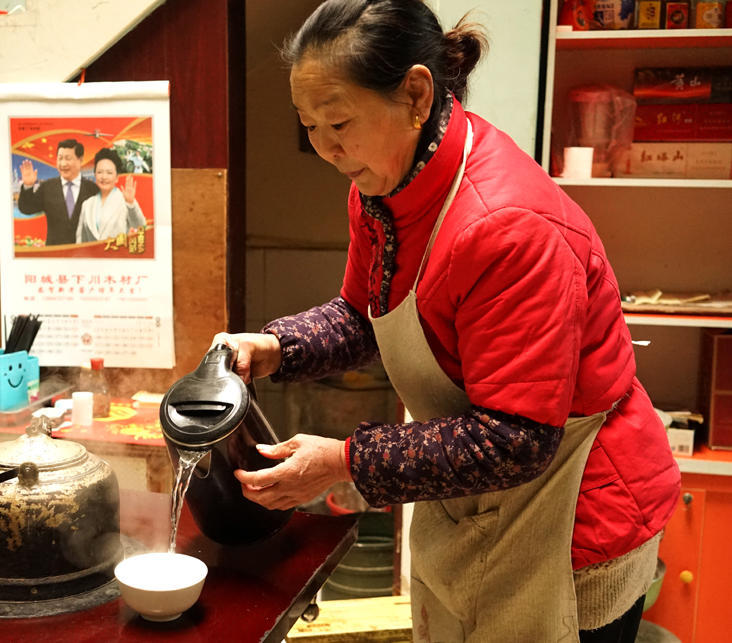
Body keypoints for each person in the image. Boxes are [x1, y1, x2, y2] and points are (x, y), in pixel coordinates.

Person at [212, 1, 680, 641]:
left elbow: (513, 438)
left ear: (414, 93)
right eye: (309, 126)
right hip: (476, 505)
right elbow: (362, 314)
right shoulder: (382, 188)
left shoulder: (509, 228)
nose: (325, 148)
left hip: (574, 518)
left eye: (339, 122)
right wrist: (276, 347)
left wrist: (345, 460)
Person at [17, 138, 98, 245]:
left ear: (80, 159)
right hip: (54, 254)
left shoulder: (93, 189)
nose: (63, 164)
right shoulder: (47, 187)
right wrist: (28, 185)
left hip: (84, 253)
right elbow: (26, 209)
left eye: (68, 158)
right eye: (60, 158)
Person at [76, 148, 147, 243]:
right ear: (95, 175)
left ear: (117, 177)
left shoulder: (125, 202)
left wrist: (131, 203)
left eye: (109, 173)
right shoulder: (87, 204)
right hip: (91, 257)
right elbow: (80, 240)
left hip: (117, 255)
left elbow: (140, 226)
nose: (104, 177)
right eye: (100, 172)